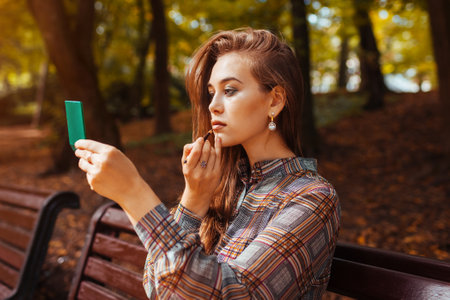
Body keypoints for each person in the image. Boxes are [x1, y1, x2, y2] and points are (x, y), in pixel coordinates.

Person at [75, 28, 340, 299]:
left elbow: (234, 293)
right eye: (212, 92)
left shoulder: (312, 198)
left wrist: (133, 193)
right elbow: (158, 290)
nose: (213, 105)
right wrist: (193, 199)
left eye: (230, 90)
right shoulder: (223, 185)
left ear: (275, 100)